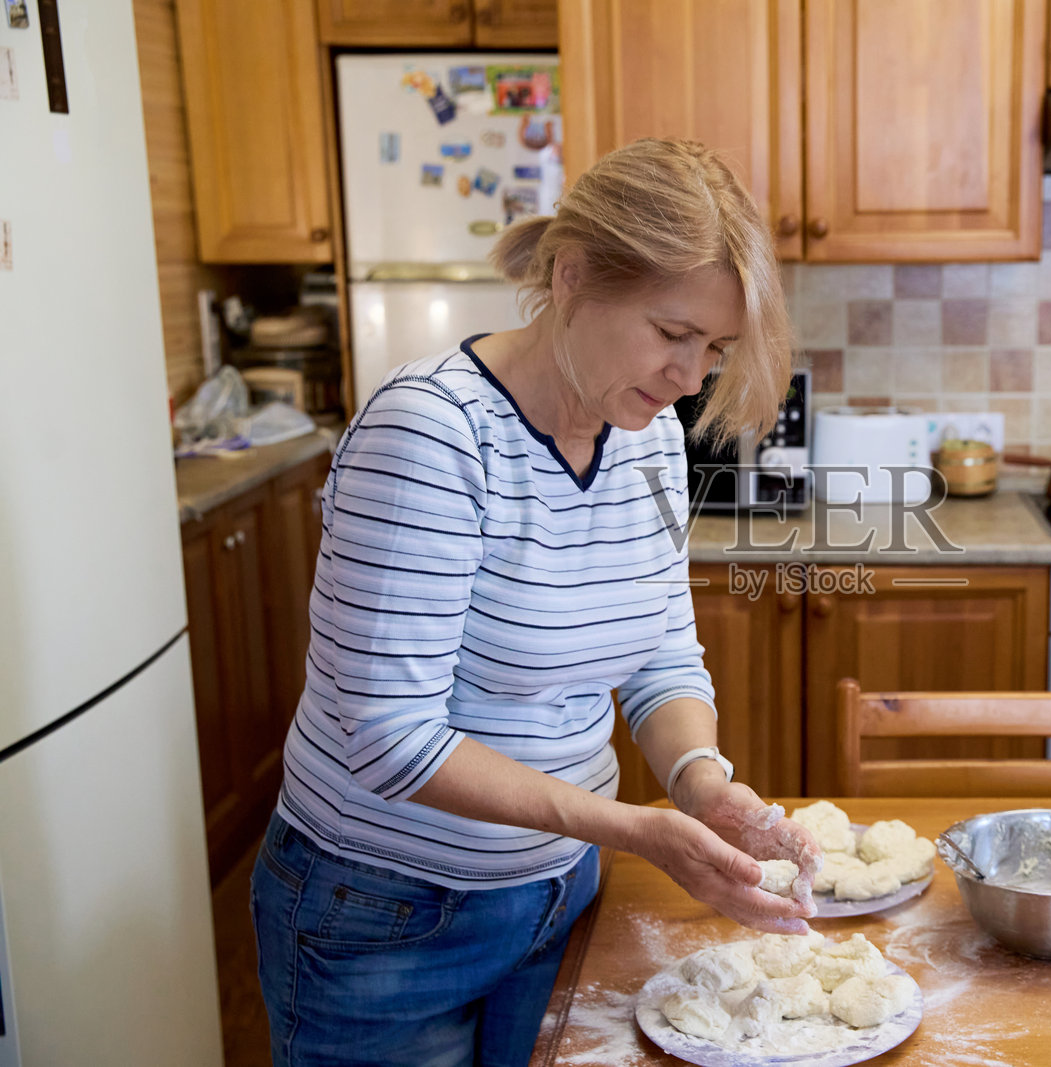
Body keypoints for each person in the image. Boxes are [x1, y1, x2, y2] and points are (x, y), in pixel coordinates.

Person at [251, 138, 821, 1067]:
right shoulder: (431, 435)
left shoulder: (645, 435)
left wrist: (701, 785)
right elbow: (388, 737)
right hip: (384, 916)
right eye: (672, 333)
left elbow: (661, 654)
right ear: (572, 276)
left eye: (712, 349)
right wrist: (632, 828)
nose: (690, 376)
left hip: (558, 892)